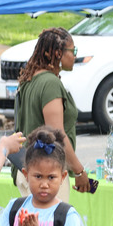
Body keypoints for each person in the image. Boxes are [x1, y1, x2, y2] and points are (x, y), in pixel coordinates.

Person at [14, 27, 90, 197]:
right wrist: (78, 171)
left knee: (36, 224)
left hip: (31, 171)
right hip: (47, 175)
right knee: (52, 223)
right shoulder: (50, 84)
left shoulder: (29, 80)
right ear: (58, 53)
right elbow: (57, 135)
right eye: (73, 50)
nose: (75, 55)